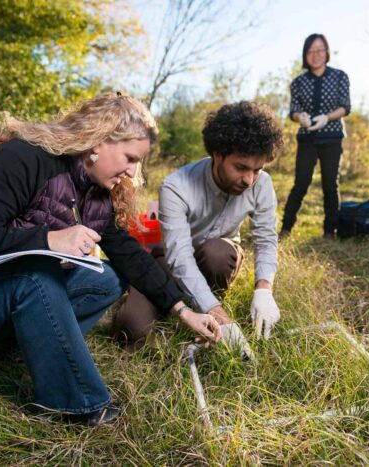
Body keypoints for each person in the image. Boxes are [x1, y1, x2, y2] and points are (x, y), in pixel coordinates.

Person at [0, 93, 221, 427]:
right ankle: (78, 405)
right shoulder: (23, 159)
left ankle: (19, 348)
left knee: (108, 278)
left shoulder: (98, 194)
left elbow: (129, 255)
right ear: (98, 141)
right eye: (129, 158)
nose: (132, 172)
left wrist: (183, 310)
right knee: (34, 276)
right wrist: (48, 239)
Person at [112, 102, 284, 352]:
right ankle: (194, 306)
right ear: (218, 155)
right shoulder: (176, 187)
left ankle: (206, 301)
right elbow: (179, 257)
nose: (249, 180)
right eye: (241, 167)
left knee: (218, 253)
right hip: (168, 260)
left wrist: (264, 289)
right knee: (132, 328)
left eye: (257, 169)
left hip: (214, 257)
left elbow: (266, 239)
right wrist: (218, 314)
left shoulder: (262, 184)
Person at [280, 33, 351, 239]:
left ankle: (330, 231)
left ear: (327, 52)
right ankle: (285, 229)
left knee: (330, 185)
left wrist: (327, 118)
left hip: (332, 138)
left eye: (320, 49)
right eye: (311, 50)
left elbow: (345, 107)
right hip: (307, 139)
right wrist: (299, 116)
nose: (316, 54)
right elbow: (293, 110)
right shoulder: (298, 82)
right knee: (300, 184)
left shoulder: (339, 76)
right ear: (305, 54)